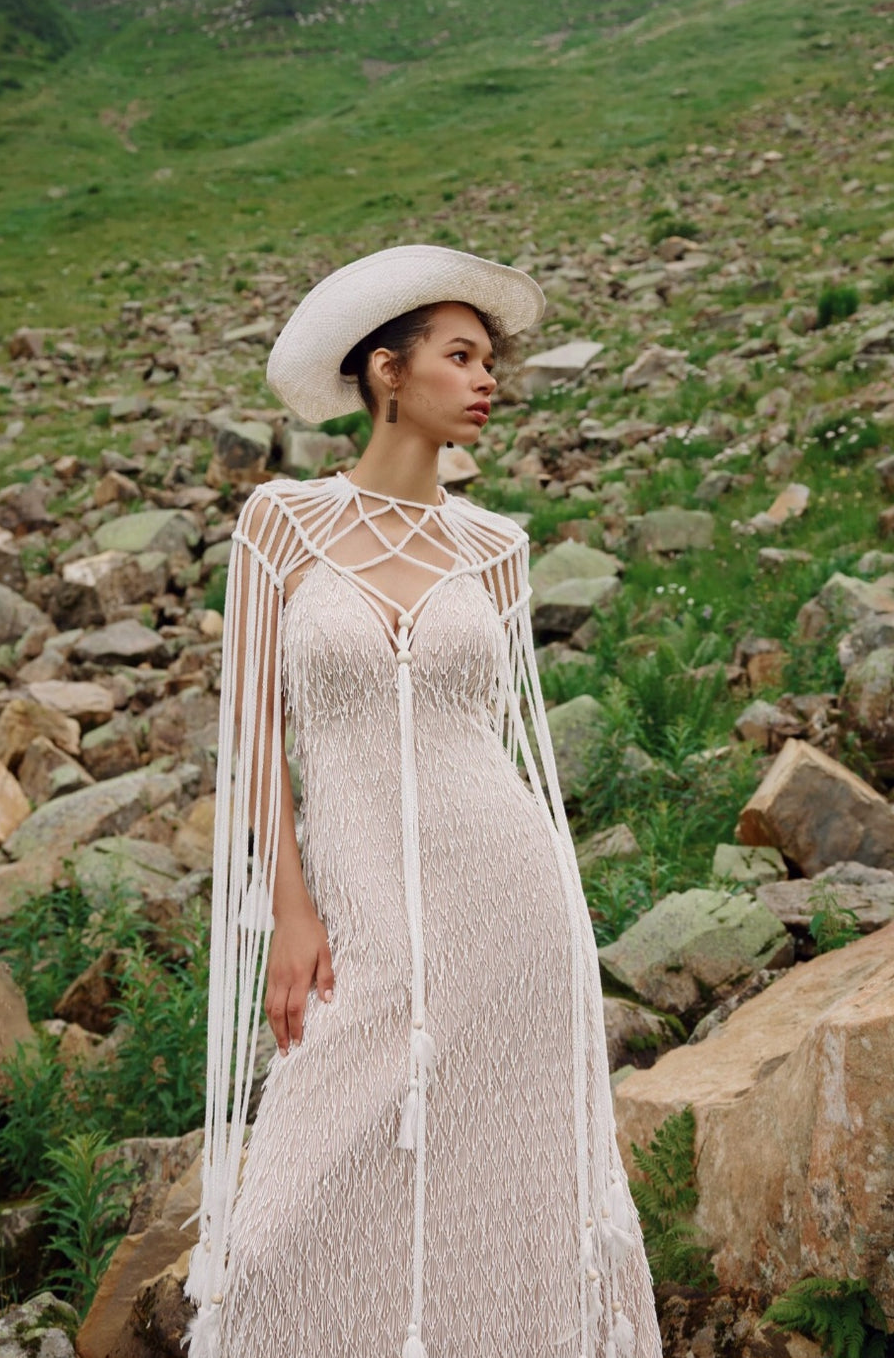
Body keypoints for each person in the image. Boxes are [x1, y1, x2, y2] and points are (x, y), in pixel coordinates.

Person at [183, 245, 661, 1358]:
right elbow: (252, 729)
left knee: (503, 1173)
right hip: (359, 904)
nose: (487, 378)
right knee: (281, 1220)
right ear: (388, 374)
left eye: (490, 360)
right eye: (462, 356)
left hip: (506, 890)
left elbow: (497, 738)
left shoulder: (494, 546)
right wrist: (287, 908)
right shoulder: (281, 523)